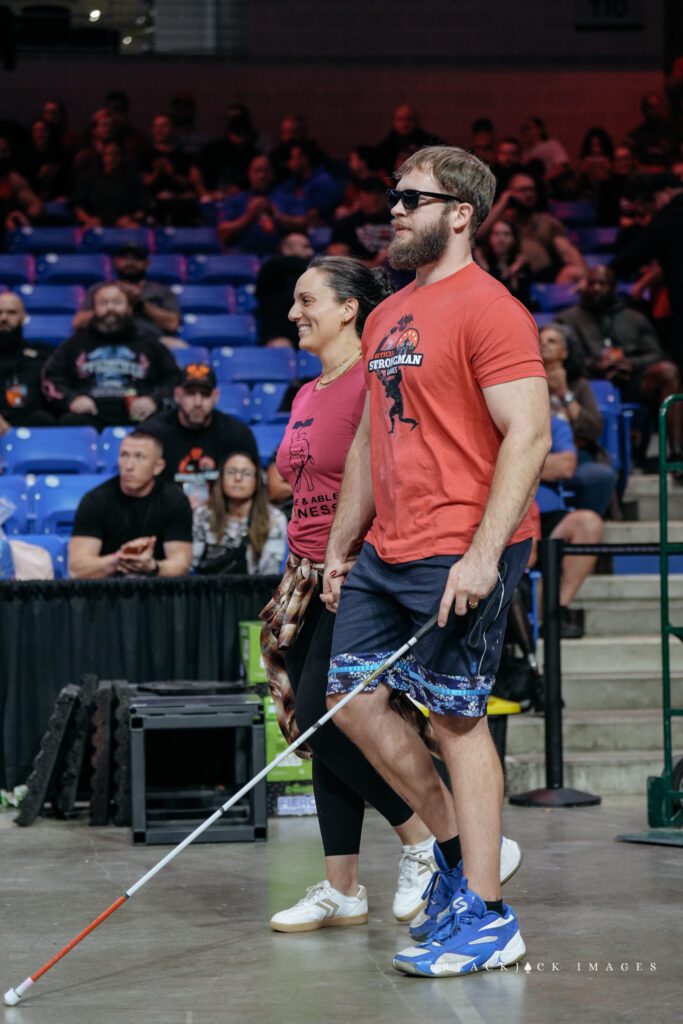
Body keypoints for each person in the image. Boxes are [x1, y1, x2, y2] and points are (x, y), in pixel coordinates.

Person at [323, 146, 549, 977]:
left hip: (463, 543)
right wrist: (340, 547)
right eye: (391, 197)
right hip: (389, 547)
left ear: (460, 213)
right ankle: (459, 861)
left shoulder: (492, 310)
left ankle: (489, 918)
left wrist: (483, 555)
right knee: (348, 702)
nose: (392, 209)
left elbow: (529, 434)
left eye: (410, 198)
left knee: (456, 721)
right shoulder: (384, 316)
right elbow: (365, 442)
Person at [260, 255, 450, 933]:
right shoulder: (307, 394)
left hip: (362, 574)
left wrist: (360, 560)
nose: (292, 313)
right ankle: (342, 887)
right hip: (306, 578)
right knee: (317, 733)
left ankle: (424, 841)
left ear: (348, 308)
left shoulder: (374, 385)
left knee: (327, 713)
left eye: (306, 299)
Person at [556, 264, 683, 458]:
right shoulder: (567, 319)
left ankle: (676, 453)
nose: (597, 288)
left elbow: (656, 353)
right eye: (592, 283)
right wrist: (593, 365)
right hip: (587, 385)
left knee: (668, 371)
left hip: (630, 381)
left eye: (603, 283)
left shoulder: (634, 318)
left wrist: (632, 363)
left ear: (614, 287)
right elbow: (561, 357)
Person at [42, 283, 181, 429]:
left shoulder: (150, 344)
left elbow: (175, 379)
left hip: (140, 417)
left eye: (117, 302)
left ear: (129, 308)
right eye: (103, 303)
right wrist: (71, 400)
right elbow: (50, 377)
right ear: (94, 309)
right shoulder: (73, 344)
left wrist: (154, 401)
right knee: (69, 423)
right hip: (88, 417)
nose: (110, 308)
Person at [68, 429, 192, 580]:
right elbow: (77, 569)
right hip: (105, 592)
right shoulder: (95, 500)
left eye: (139, 457)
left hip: (159, 592)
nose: (129, 466)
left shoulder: (175, 501)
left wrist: (152, 566)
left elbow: (181, 566)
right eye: (124, 455)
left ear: (158, 467)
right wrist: (119, 559)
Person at [145, 362, 258, 505]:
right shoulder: (153, 433)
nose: (198, 402)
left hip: (222, 517)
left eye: (205, 394)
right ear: (177, 395)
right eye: (190, 393)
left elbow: (255, 485)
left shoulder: (238, 434)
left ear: (216, 396)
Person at [536, 415, 604, 639]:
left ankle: (556, 611)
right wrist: (542, 463)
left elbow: (565, 467)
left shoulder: (554, 423)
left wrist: (511, 459)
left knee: (588, 523)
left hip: (547, 515)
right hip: (500, 513)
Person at [540, 322, 616, 518]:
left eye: (551, 341)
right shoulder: (527, 383)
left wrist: (564, 393)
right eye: (540, 341)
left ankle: (581, 531)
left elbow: (593, 430)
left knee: (601, 476)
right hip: (538, 453)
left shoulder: (579, 385)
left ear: (564, 352)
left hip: (577, 455)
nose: (544, 344)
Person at [480, 172, 586, 284]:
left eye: (532, 190)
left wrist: (584, 278)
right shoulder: (501, 222)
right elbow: (477, 235)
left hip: (544, 280)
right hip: (510, 278)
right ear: (509, 192)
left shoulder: (547, 221)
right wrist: (503, 201)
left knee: (574, 272)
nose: (529, 194)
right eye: (523, 190)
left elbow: (567, 251)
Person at [192, 451, 286, 575]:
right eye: (231, 472)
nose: (238, 478)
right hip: (209, 590)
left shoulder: (274, 518)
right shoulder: (203, 514)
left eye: (246, 474)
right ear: (221, 479)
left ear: (256, 481)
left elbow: (269, 573)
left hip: (254, 590)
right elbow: (192, 564)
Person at [72, 243, 180, 339]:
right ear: (115, 262)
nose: (130, 262)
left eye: (136, 258)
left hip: (152, 340)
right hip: (105, 339)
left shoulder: (161, 290)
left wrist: (140, 304)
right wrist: (111, 305)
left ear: (147, 263)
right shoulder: (99, 289)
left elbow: (172, 324)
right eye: (125, 258)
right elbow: (78, 323)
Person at [0, 292, 54, 435]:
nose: (4, 318)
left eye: (11, 312)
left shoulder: (42, 353)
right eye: (0, 312)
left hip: (32, 423)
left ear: (24, 317)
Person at [255, 232, 315, 346]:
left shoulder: (311, 273)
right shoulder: (272, 267)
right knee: (281, 351)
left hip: (307, 330)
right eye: (305, 247)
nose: (310, 252)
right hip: (279, 333)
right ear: (287, 249)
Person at [72, 140, 148, 228]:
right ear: (102, 157)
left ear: (122, 156)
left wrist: (131, 218)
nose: (111, 159)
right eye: (107, 155)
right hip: (95, 226)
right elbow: (76, 205)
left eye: (115, 155)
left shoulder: (132, 179)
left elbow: (145, 207)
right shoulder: (89, 178)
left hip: (125, 226)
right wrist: (88, 220)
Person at [217, 155, 281, 256]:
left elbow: (303, 224)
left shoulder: (284, 197)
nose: (262, 176)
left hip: (278, 253)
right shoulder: (235, 199)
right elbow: (223, 231)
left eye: (266, 171)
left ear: (273, 173)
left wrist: (275, 215)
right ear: (249, 173)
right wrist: (249, 216)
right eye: (257, 171)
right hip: (241, 253)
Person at [271, 142, 341, 229]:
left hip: (315, 230)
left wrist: (280, 217)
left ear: (304, 159)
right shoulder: (291, 183)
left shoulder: (323, 181)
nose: (289, 164)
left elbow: (310, 219)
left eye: (292, 158)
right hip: (287, 227)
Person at [327, 176, 393, 266]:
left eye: (378, 194)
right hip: (362, 275)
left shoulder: (399, 220)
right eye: (369, 194)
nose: (374, 199)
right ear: (360, 197)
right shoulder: (346, 223)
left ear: (386, 196)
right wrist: (373, 263)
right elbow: (336, 260)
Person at [374, 105, 444, 178]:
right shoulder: (384, 147)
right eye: (401, 119)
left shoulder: (432, 143)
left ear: (417, 121)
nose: (405, 124)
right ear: (394, 121)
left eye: (410, 119)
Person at [475, 218, 531, 307]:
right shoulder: (479, 263)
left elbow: (525, 299)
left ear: (514, 239)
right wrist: (484, 267)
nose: (501, 239)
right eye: (496, 234)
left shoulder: (521, 264)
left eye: (506, 234)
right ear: (489, 238)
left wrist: (514, 270)